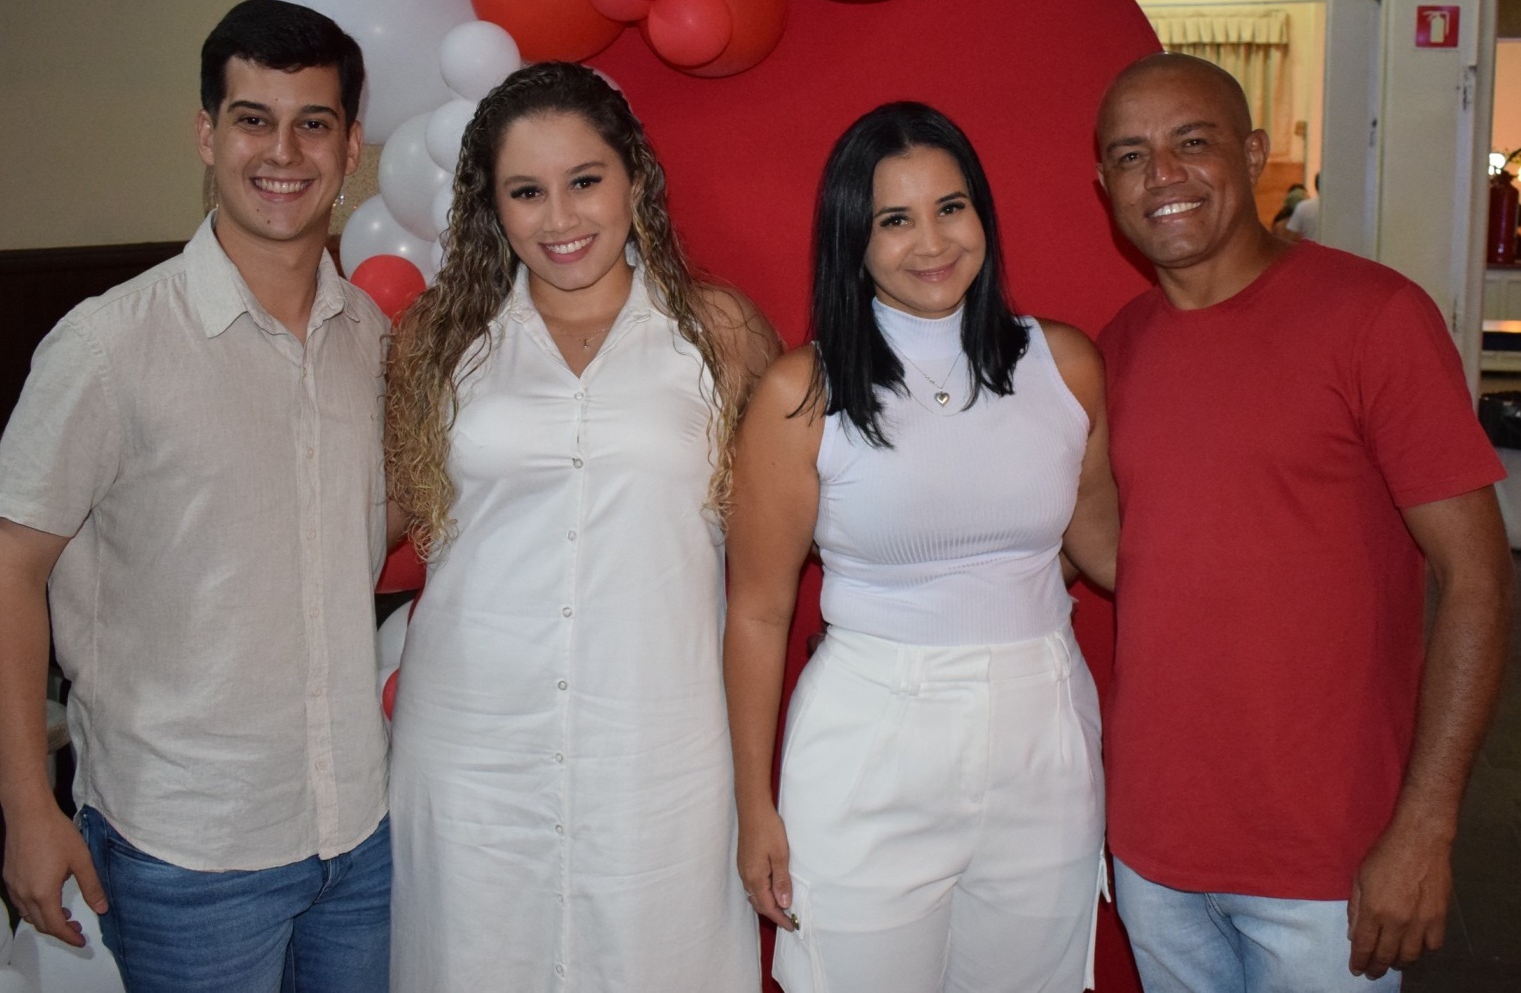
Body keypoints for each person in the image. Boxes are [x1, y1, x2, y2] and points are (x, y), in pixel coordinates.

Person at [1093, 52, 1513, 991]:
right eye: (1129, 155)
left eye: (1190, 142)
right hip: (1156, 850)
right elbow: (1132, 561)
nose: (1161, 174)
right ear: (1104, 185)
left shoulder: (1374, 318)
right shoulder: (1117, 348)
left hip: (1330, 863)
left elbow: (1479, 580)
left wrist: (1426, 826)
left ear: (1251, 154)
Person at [0, 0, 393, 991]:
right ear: (208, 135)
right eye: (253, 119)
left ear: (351, 148)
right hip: (187, 851)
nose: (283, 152)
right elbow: (11, 569)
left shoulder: (371, 340)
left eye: (313, 123)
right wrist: (26, 807)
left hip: (360, 834)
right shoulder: (110, 343)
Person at [384, 61, 778, 991]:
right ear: (492, 208)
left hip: (659, 747)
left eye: (585, 181)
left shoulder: (719, 331)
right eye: (526, 191)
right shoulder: (437, 338)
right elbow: (375, 516)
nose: (559, 218)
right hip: (472, 748)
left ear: (635, 179)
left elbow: (801, 522)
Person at [724, 101, 1118, 993]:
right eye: (893, 220)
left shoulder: (1064, 365)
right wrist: (753, 807)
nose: (931, 242)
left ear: (982, 214)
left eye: (950, 207)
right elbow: (756, 612)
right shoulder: (801, 394)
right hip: (869, 743)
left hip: (1044, 739)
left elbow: (1105, 546)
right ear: (852, 240)